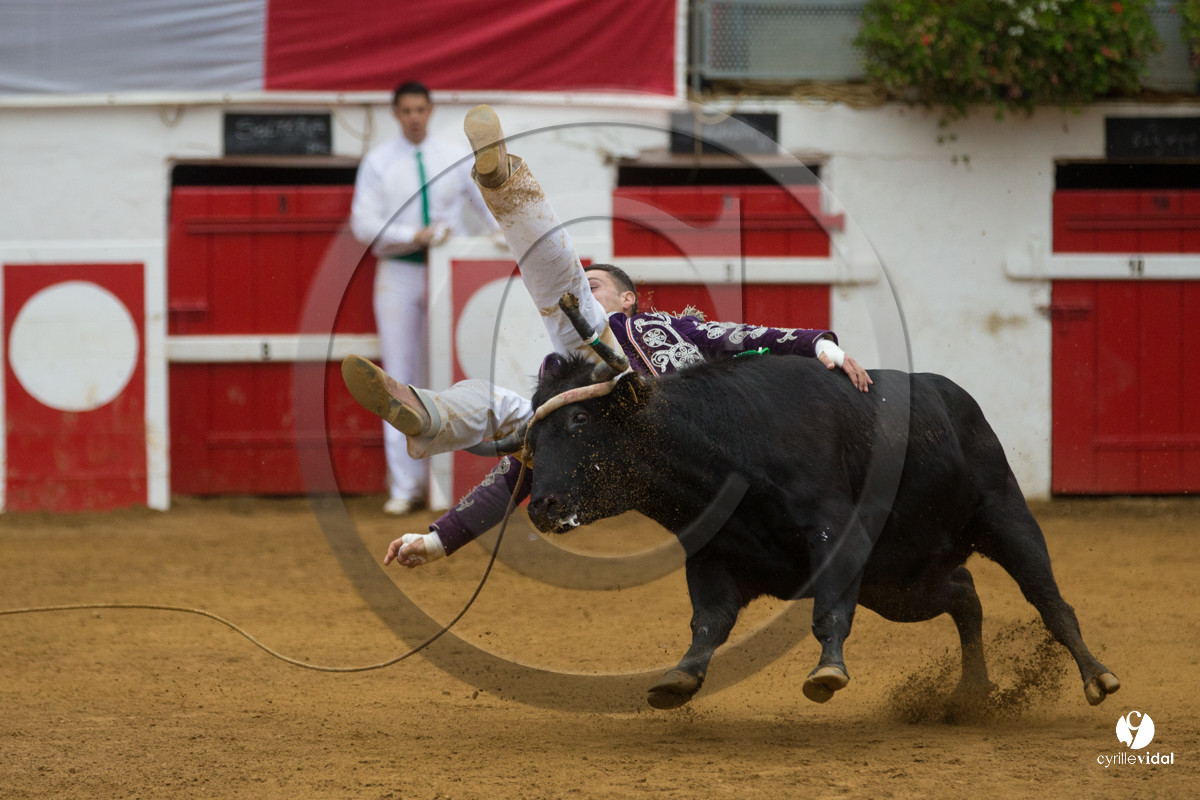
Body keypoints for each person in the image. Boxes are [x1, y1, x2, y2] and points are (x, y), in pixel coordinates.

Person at [342, 104, 871, 565]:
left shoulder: (661, 330)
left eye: (600, 287)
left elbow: (742, 336)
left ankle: (506, 187)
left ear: (628, 300)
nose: (590, 293)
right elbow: (515, 476)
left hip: (657, 411)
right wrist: (438, 541)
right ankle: (432, 414)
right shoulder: (564, 373)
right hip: (603, 422)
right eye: (588, 286)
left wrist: (819, 345)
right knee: (510, 411)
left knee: (561, 289)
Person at [350, 81, 499, 515]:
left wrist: (497, 235)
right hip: (399, 272)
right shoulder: (378, 161)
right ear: (396, 114)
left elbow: (483, 202)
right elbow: (364, 225)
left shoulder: (451, 154)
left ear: (429, 110)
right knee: (398, 374)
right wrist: (413, 235)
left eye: (420, 108)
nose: (414, 116)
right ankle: (405, 485)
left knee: (447, 369)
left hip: (444, 274)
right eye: (407, 110)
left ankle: (448, 482)